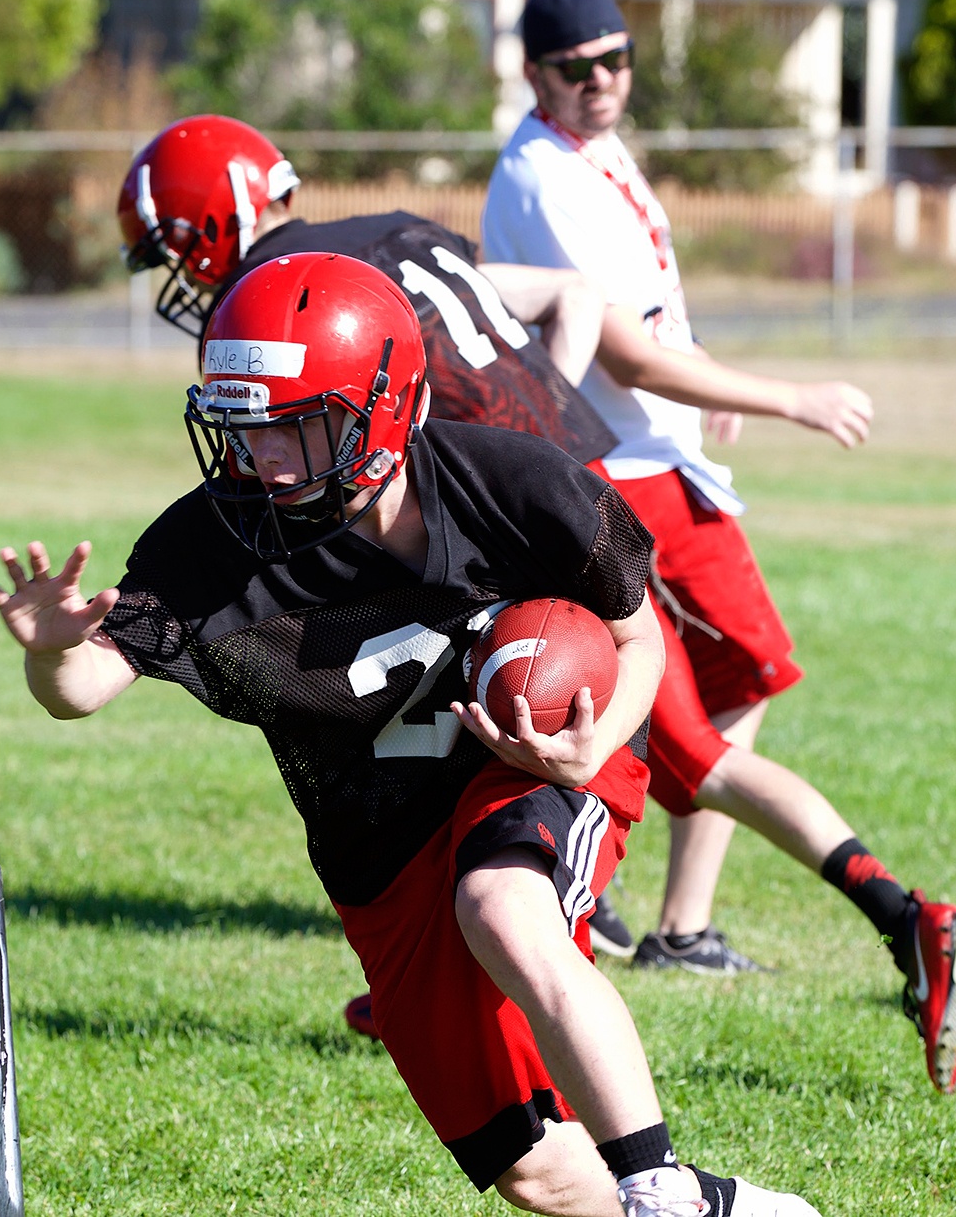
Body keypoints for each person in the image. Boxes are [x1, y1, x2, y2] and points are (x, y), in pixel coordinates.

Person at [0, 252, 822, 1216]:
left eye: (298, 427)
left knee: (501, 903)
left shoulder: (516, 483)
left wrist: (596, 746)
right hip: (375, 837)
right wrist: (50, 651)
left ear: (384, 411)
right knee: (535, 1171)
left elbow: (638, 640)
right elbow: (81, 690)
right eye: (246, 430)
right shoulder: (212, 536)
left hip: (527, 756)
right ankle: (717, 1209)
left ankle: (658, 1182)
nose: (268, 460)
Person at [482, 0, 956, 1094]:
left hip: (669, 471)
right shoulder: (537, 174)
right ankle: (896, 914)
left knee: (720, 694)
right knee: (666, 745)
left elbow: (655, 305)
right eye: (579, 67)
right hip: (613, 486)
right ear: (534, 74)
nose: (603, 81)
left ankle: (643, 918)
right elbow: (620, 350)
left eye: (616, 60)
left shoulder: (598, 151)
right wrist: (783, 395)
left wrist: (706, 377)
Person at [117, 112, 637, 962]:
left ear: (215, 220)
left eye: (171, 247)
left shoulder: (293, 296)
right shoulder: (398, 231)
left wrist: (524, 457)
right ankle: (531, 902)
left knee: (644, 722)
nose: (174, 276)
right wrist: (545, 428)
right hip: (510, 494)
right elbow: (569, 291)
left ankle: (869, 897)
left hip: (508, 516)